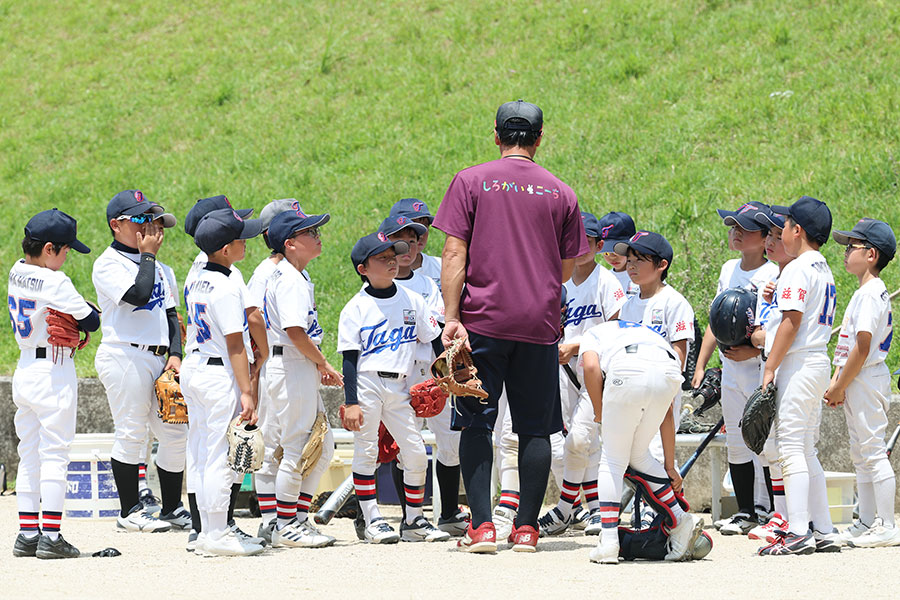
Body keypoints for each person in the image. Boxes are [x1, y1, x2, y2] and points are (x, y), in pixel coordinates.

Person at [433, 99, 587, 553]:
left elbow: (453, 255)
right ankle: (526, 528)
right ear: (539, 139)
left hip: (482, 320)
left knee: (477, 423)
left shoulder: (470, 181)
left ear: (496, 135)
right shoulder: (561, 193)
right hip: (539, 323)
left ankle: (481, 527)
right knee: (535, 428)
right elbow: (563, 271)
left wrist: (452, 317)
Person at [338, 233, 446, 543]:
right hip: (367, 381)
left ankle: (413, 520)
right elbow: (349, 359)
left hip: (401, 383)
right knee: (366, 451)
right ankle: (372, 519)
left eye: (392, 255)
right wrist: (352, 401)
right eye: (382, 258)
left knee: (413, 451)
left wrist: (444, 375)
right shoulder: (356, 308)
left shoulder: (413, 300)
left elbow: (433, 337)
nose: (391, 261)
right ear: (363, 269)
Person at [91, 190, 189, 533]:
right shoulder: (107, 264)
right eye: (140, 219)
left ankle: (172, 508)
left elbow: (172, 315)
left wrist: (175, 355)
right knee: (132, 432)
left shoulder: (163, 269)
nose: (150, 226)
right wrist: (148, 256)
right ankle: (129, 510)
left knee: (176, 433)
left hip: (158, 358)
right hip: (124, 355)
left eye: (153, 219)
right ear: (116, 225)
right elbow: (137, 295)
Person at [10, 209, 99, 559]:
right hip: (53, 372)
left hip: (25, 369)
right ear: (49, 248)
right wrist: (89, 311)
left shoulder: (17, 269)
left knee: (29, 452)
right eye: (64, 250)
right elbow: (90, 321)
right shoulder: (56, 282)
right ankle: (52, 535)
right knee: (55, 454)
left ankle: (27, 533)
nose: (67, 256)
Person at [182, 195, 268, 549]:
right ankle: (217, 532)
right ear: (225, 249)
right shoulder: (228, 285)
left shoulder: (199, 274)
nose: (245, 242)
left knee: (203, 452)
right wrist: (247, 391)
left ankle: (205, 531)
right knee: (219, 454)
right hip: (219, 374)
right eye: (240, 239)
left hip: (195, 367)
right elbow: (236, 345)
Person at [579, 320, 704, 564]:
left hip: (628, 368)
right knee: (638, 456)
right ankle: (679, 519)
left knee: (612, 460)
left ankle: (609, 542)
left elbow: (591, 367)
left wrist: (598, 411)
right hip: (669, 368)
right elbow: (667, 413)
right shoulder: (643, 331)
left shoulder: (593, 331)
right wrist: (669, 466)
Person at [757, 196, 839, 555]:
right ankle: (823, 529)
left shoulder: (798, 268)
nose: (781, 231)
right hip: (816, 360)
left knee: (790, 447)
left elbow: (790, 323)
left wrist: (771, 365)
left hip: (799, 362)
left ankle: (799, 532)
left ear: (797, 230)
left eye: (785, 225)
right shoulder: (821, 266)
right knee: (806, 449)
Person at [378, 215, 470, 535]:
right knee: (405, 447)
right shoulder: (378, 287)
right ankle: (410, 517)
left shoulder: (429, 284)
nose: (407, 247)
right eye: (399, 241)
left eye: (413, 239)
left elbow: (436, 331)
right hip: (396, 375)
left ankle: (447, 513)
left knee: (451, 442)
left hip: (431, 371)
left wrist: (445, 374)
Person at [692, 202, 779, 535]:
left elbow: (773, 325)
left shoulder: (773, 273)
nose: (736, 233)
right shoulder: (729, 269)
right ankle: (746, 512)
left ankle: (771, 510)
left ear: (765, 237)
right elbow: (717, 319)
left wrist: (752, 350)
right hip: (730, 368)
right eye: (733, 227)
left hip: (758, 366)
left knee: (765, 439)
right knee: (737, 442)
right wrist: (701, 364)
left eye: (744, 229)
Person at [538, 211, 626, 537]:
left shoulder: (607, 281)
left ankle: (567, 508)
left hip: (594, 370)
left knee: (581, 439)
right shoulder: (556, 280)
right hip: (562, 371)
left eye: (586, 242)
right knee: (567, 443)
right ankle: (588, 510)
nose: (578, 247)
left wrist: (575, 346)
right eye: (572, 242)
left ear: (599, 244)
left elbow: (619, 327)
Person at [262, 207, 342, 548]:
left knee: (321, 447)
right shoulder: (290, 280)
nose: (317, 236)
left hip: (295, 365)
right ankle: (284, 525)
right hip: (292, 363)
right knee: (296, 446)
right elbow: (295, 331)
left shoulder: (294, 275)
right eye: (310, 233)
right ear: (290, 243)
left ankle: (296, 518)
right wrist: (323, 363)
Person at [825, 219, 898, 547]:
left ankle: (887, 523)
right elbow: (849, 344)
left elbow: (863, 345)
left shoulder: (869, 294)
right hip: (858, 376)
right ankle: (867, 520)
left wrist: (841, 384)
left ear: (871, 254)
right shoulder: (865, 292)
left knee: (871, 450)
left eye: (851, 247)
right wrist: (838, 380)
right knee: (860, 452)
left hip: (866, 376)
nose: (845, 252)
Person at [247, 198, 297, 542]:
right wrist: (263, 356)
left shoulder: (291, 270)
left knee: (298, 445)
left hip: (289, 364)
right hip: (275, 365)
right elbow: (252, 315)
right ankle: (271, 519)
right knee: (272, 445)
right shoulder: (267, 272)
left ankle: (284, 517)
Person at [745, 209, 796, 542]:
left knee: (790, 449)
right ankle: (780, 514)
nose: (771, 242)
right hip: (770, 366)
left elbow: (777, 333)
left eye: (778, 236)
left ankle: (793, 517)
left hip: (787, 369)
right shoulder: (772, 282)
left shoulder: (795, 278)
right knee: (772, 449)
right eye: (770, 236)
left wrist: (761, 340)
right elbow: (759, 332)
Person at [389, 198, 442, 290]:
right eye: (412, 227)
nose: (420, 235)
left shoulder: (442, 266)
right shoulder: (381, 274)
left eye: (424, 226)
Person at [597, 211, 639, 298]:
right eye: (606, 252)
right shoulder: (604, 280)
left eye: (617, 250)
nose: (612, 257)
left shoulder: (645, 275)